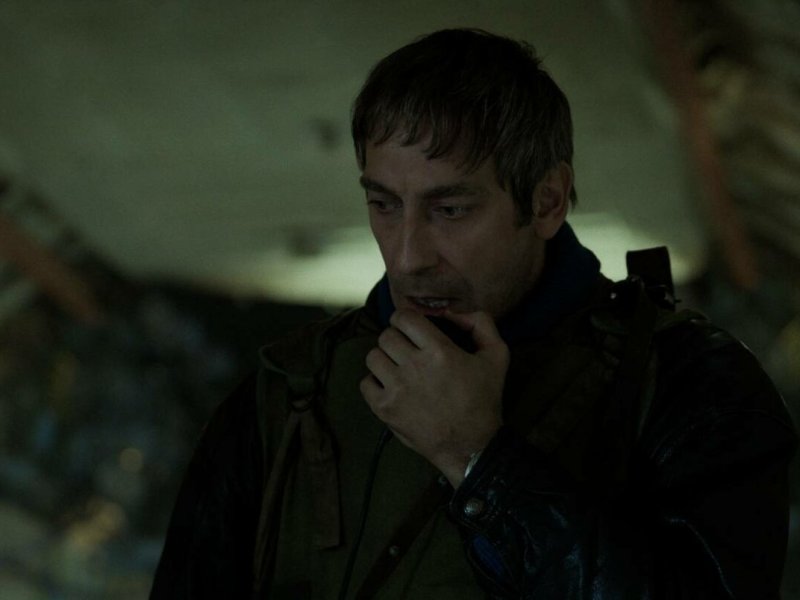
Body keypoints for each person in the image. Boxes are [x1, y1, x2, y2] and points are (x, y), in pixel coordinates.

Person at [150, 29, 797, 599]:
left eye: (451, 210)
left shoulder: (688, 385)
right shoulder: (290, 392)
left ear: (546, 202)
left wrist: (478, 458)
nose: (408, 257)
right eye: (384, 204)